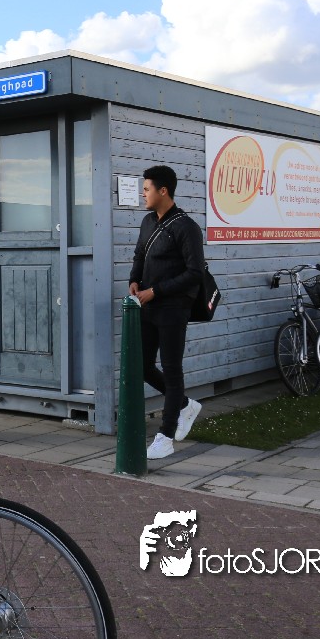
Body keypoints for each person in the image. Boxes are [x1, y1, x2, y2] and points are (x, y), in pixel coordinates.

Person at [128, 165, 206, 460]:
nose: (143, 194)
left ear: (163, 191)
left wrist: (156, 291)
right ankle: (185, 405)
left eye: (147, 189)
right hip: (147, 306)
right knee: (143, 366)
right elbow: (139, 254)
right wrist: (134, 280)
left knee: (172, 370)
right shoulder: (148, 221)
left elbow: (195, 273)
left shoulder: (186, 227)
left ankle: (166, 436)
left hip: (173, 309)